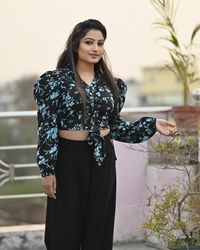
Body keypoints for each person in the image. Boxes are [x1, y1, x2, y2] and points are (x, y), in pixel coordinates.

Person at [33, 19, 180, 250]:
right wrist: (47, 170)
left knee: (99, 227)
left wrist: (152, 125)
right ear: (75, 46)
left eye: (100, 43)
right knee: (63, 230)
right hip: (68, 159)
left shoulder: (111, 85)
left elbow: (115, 127)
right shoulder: (55, 82)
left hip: (102, 158)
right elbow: (47, 126)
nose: (96, 49)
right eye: (89, 42)